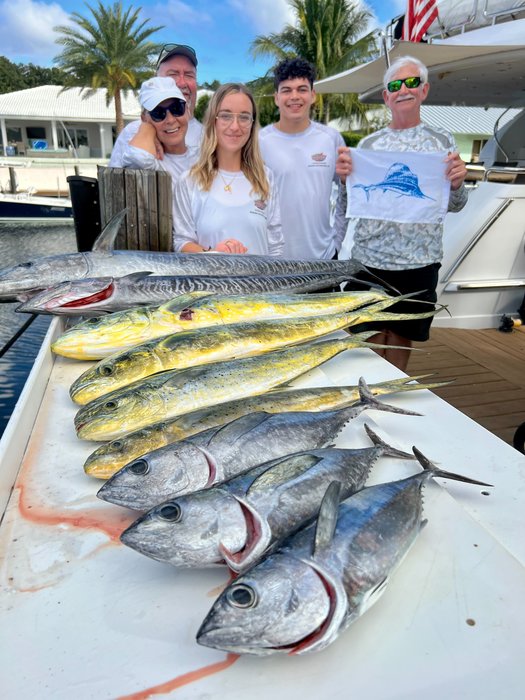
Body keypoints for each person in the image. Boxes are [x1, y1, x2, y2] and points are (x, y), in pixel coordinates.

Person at [336, 55, 468, 371]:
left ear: (424, 90)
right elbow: (347, 204)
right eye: (395, 85)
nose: (403, 90)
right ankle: (364, 398)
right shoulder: (367, 144)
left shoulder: (443, 142)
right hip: (370, 259)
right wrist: (343, 182)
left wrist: (458, 184)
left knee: (401, 335)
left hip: (419, 261)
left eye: (411, 82)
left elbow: (456, 204)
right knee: (367, 335)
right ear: (386, 96)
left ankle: (389, 395)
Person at [173, 83, 283, 256]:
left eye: (244, 117)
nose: (235, 126)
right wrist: (214, 254)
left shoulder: (265, 177)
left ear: (252, 123)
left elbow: (276, 247)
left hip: (260, 283)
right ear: (213, 120)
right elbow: (181, 242)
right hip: (211, 283)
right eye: (226, 116)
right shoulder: (189, 181)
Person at [259, 57, 346, 261]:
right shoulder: (259, 141)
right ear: (276, 97)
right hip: (273, 262)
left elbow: (346, 193)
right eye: (287, 90)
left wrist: (338, 241)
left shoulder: (331, 139)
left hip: (322, 259)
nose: (294, 96)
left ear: (313, 95)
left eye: (302, 89)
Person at [109, 43, 202, 166]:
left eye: (189, 75)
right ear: (156, 78)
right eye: (172, 74)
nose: (182, 82)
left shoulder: (210, 136)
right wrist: (147, 130)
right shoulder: (132, 133)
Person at [121, 77, 199, 181]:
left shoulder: (202, 156)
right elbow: (137, 157)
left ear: (187, 111)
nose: (170, 120)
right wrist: (146, 128)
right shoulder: (153, 162)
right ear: (144, 118)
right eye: (158, 113)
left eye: (177, 108)